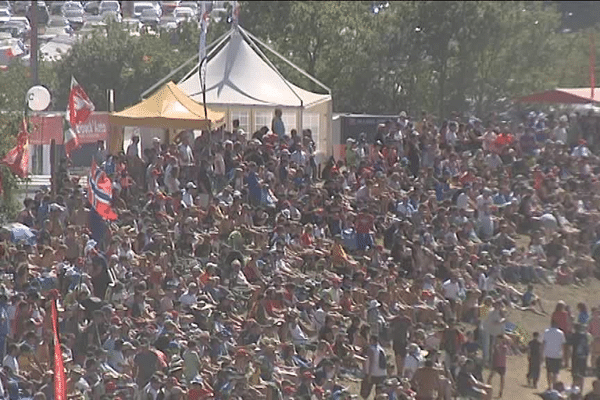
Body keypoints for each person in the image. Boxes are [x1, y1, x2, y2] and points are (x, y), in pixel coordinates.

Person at [361, 335, 387, 399]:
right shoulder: (381, 349)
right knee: (379, 393)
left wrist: (369, 374)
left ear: (372, 340)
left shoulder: (371, 349)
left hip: (373, 373)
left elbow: (371, 362)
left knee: (365, 392)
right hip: (382, 374)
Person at [543, 320, 567, 390]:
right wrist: (564, 356)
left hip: (548, 354)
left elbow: (543, 342)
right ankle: (554, 385)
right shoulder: (561, 333)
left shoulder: (546, 331)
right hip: (558, 355)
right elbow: (563, 344)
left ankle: (549, 386)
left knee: (549, 371)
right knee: (556, 372)